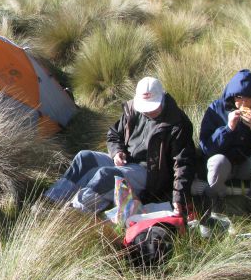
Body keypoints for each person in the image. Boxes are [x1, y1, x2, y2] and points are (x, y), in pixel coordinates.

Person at [45, 77, 195, 216]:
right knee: (84, 157)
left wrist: (179, 197)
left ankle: (73, 214)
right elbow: (114, 134)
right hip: (126, 161)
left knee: (107, 176)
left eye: (152, 107)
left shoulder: (178, 123)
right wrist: (117, 152)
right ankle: (52, 200)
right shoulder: (133, 110)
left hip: (150, 173)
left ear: (162, 97)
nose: (147, 111)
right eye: (145, 107)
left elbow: (182, 163)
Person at [199, 69, 251, 219]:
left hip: (247, 166)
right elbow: (206, 148)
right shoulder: (216, 109)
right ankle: (213, 201)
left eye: (247, 98)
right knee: (217, 161)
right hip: (225, 166)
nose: (243, 102)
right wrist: (228, 128)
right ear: (232, 95)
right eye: (238, 97)